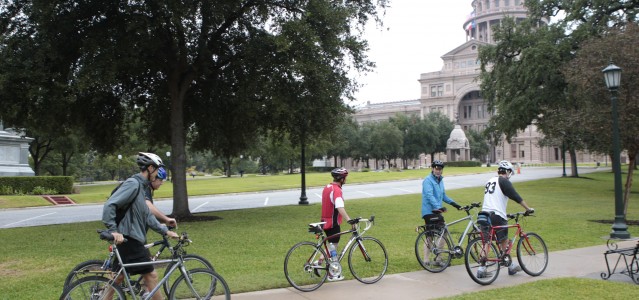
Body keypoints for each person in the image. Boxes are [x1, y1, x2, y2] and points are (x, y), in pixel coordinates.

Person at [102, 152, 179, 300]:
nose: (157, 174)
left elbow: (147, 216)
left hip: (130, 237)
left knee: (117, 278)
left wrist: (164, 230)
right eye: (157, 170)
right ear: (150, 168)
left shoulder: (141, 187)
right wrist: (113, 231)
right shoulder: (133, 184)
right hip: (129, 237)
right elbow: (110, 205)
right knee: (151, 275)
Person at [479, 160, 534, 277]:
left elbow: (494, 198)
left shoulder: (489, 180)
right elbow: (516, 196)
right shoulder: (504, 181)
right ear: (507, 171)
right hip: (497, 215)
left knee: (486, 242)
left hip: (484, 214)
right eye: (510, 173)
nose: (510, 176)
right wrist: (528, 208)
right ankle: (510, 266)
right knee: (503, 239)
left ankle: (481, 269)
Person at [421, 160, 462, 266]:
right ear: (433, 169)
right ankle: (435, 259)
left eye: (440, 169)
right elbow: (429, 196)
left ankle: (431, 259)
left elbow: (443, 196)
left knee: (434, 234)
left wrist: (454, 204)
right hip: (429, 212)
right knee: (439, 233)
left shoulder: (440, 181)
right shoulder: (428, 180)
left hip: (436, 211)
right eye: (437, 168)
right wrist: (439, 207)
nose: (439, 171)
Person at [319, 167, 353, 281]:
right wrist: (349, 220)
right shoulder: (337, 190)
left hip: (324, 221)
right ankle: (332, 274)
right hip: (333, 223)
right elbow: (339, 207)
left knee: (331, 246)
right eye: (345, 178)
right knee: (333, 247)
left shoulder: (327, 187)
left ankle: (319, 263)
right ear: (342, 179)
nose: (346, 180)